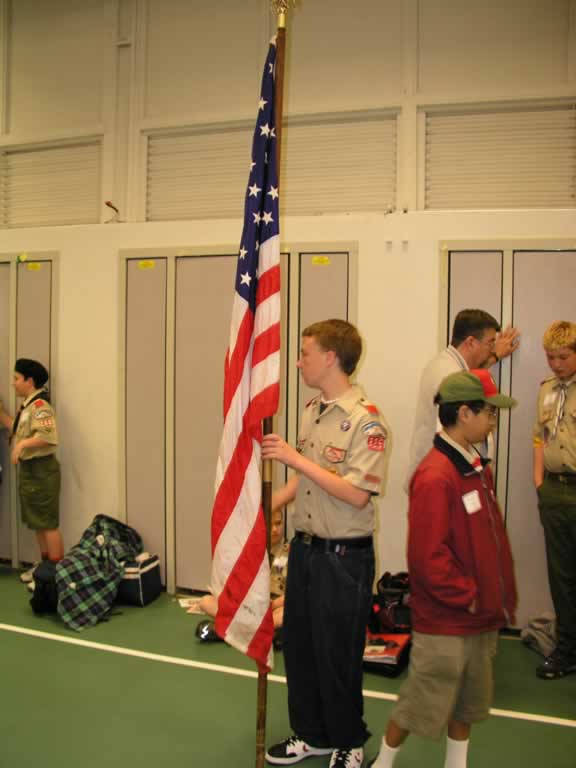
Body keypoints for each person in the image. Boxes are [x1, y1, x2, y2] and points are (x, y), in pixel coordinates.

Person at [369, 369, 518, 768]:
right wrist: (468, 596)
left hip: (477, 615)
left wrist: (494, 597)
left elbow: (490, 541)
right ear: (464, 413)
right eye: (489, 412)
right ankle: (383, 763)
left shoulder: (476, 468)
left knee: (468, 703)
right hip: (448, 618)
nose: (493, 419)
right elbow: (427, 558)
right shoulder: (436, 476)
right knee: (421, 701)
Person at [262, 319, 388, 768]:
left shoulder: (366, 421)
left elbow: (356, 493)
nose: (299, 362)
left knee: (338, 655)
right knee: (300, 649)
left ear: (331, 357)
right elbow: (305, 480)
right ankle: (312, 734)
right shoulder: (312, 410)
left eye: (305, 353)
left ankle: (349, 741)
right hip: (305, 550)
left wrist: (294, 460)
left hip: (344, 558)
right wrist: (271, 505)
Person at [406, 309, 520, 485]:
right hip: (444, 478)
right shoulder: (447, 375)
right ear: (471, 342)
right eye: (490, 343)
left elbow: (469, 378)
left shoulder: (447, 365)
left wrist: (494, 357)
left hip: (445, 475)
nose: (493, 348)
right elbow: (450, 436)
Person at [533, 320, 576, 679]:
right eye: (551, 357)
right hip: (554, 490)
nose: (556, 364)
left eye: (563, 357)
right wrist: (539, 482)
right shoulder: (547, 389)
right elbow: (540, 436)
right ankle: (567, 650)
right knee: (561, 577)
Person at [0, 359, 63, 582]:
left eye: (17, 378)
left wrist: (21, 446)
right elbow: (17, 428)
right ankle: (44, 568)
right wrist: (2, 414)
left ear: (30, 381)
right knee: (38, 522)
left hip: (41, 470)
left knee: (48, 524)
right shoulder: (27, 406)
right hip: (30, 471)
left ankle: (54, 575)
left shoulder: (40, 407)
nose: (13, 383)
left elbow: (47, 437)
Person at [196, 507, 288, 639]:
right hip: (251, 608)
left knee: (285, 614)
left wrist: (273, 604)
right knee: (206, 602)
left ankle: (232, 633)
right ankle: (257, 633)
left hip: (274, 608)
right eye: (270, 524)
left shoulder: (291, 552)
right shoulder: (251, 550)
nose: (274, 529)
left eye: (278, 524)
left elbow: (295, 594)